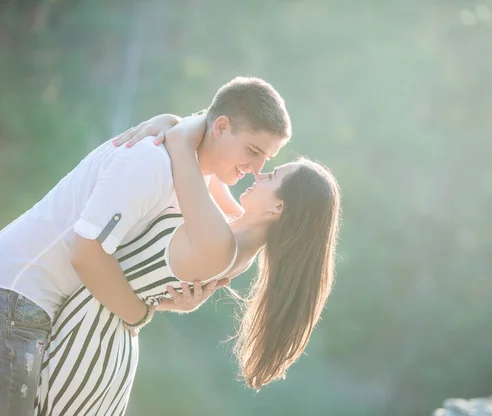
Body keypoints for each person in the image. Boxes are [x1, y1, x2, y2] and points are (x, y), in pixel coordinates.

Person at [0, 76, 291, 415]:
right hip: (15, 298)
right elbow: (86, 252)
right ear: (222, 127)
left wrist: (174, 301)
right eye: (253, 151)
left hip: (37, 310)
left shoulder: (191, 177)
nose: (257, 169)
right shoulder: (151, 161)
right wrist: (139, 314)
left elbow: (238, 223)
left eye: (266, 159)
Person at [34, 114, 341, 415]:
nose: (259, 174)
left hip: (87, 340)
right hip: (105, 337)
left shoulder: (220, 241)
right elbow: (211, 161)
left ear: (278, 207)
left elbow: (183, 145)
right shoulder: (237, 237)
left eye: (271, 177)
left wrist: (170, 120)